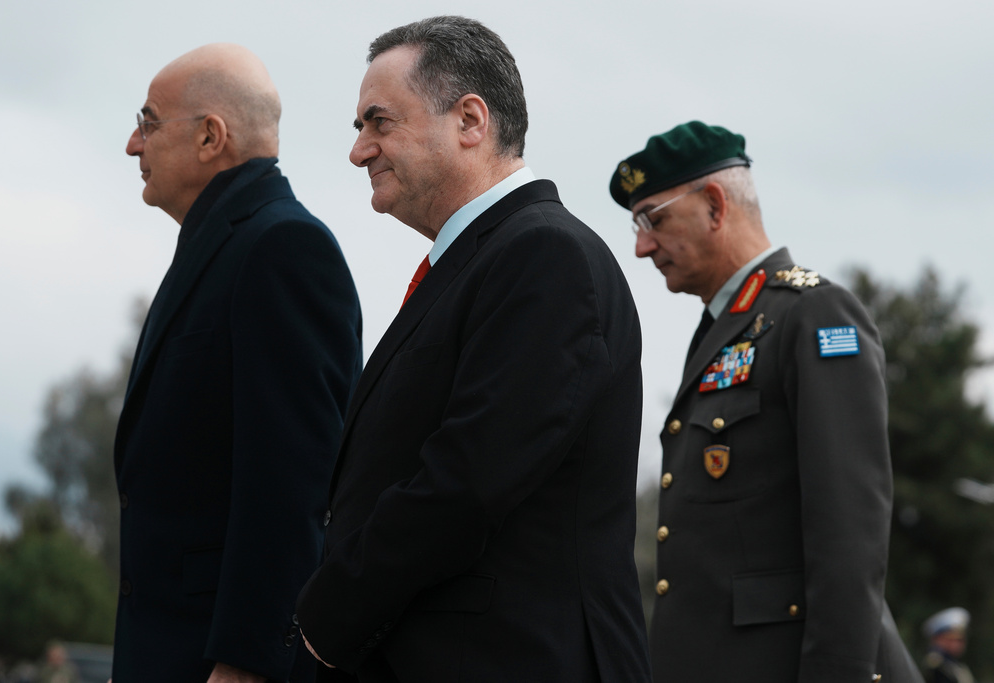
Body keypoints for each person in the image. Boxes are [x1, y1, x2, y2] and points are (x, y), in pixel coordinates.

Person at [296, 16, 651, 683]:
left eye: (379, 122)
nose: (360, 150)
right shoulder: (486, 259)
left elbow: (465, 480)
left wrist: (324, 618)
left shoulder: (545, 255)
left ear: (469, 120)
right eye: (358, 128)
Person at [609, 121, 922, 682]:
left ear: (713, 204)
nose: (641, 246)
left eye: (653, 219)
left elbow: (848, 532)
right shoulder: (728, 327)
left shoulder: (814, 315)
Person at [114, 43, 362, 683]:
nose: (132, 146)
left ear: (209, 137)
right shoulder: (222, 245)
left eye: (147, 122)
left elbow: (292, 488)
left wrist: (249, 666)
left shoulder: (282, 246)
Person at [922, 608, 974, 683]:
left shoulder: (952, 664)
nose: (958, 644)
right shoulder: (938, 665)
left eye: (960, 640)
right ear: (938, 640)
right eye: (951, 639)